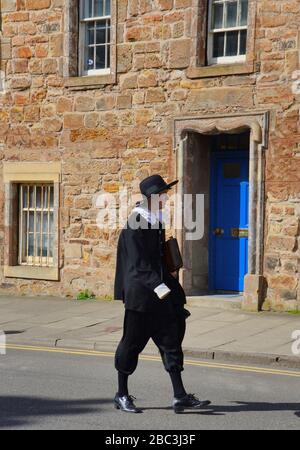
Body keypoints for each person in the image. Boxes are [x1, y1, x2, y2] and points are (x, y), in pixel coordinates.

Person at [114, 174, 211, 414]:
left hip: (159, 294)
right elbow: (138, 265)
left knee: (170, 342)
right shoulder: (135, 224)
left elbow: (156, 259)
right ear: (151, 197)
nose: (166, 198)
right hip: (141, 297)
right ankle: (121, 394)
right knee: (131, 344)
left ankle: (180, 396)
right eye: (163, 195)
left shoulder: (155, 220)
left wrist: (169, 276)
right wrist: (160, 287)